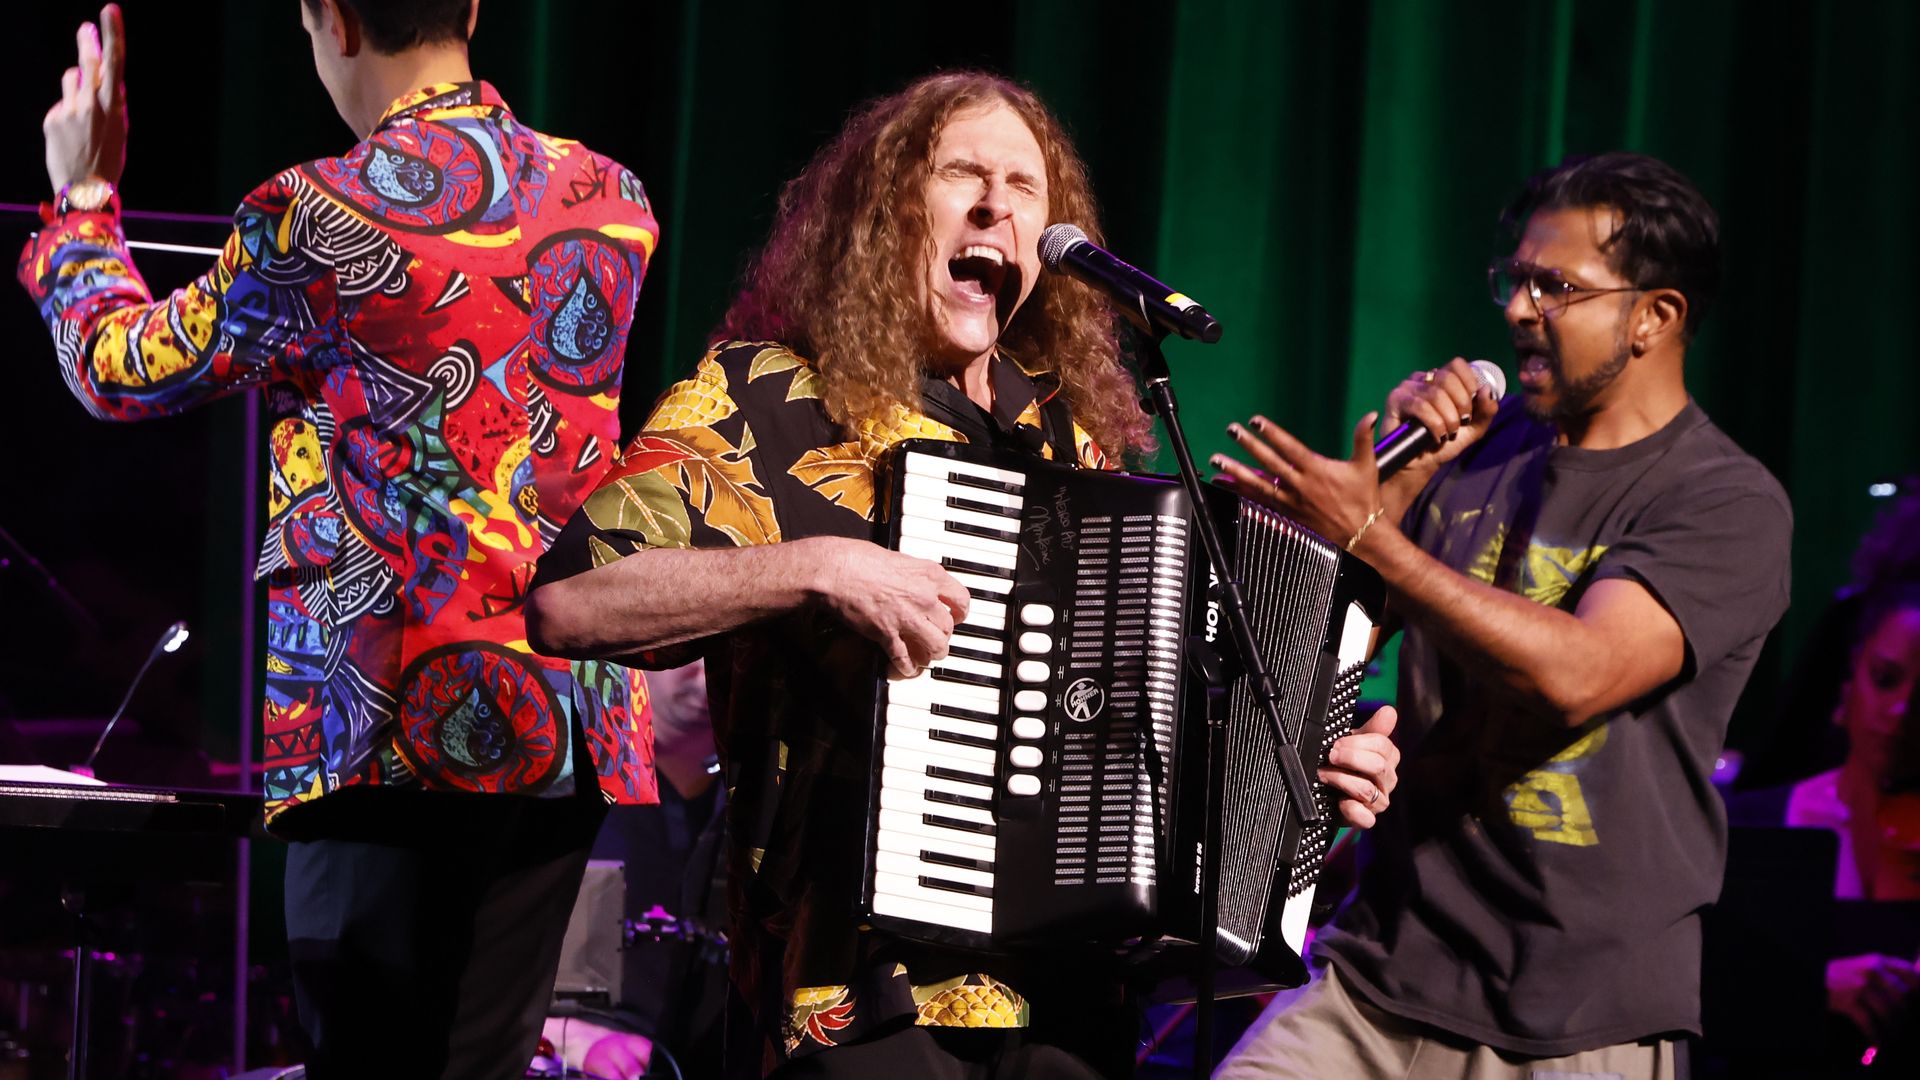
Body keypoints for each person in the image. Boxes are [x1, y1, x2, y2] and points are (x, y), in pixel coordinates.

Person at [525, 71, 1402, 1078]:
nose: (998, 204)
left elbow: (1146, 751)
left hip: (1069, 1008)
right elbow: (571, 603)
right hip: (855, 1007)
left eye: (1025, 188)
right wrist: (816, 568)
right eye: (963, 173)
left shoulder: (1073, 445)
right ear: (884, 210)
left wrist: (1299, 782)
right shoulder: (768, 396)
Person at [18, 3, 659, 1075]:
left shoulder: (318, 211)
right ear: (471, 8)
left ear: (329, 18)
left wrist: (84, 203)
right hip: (560, 724)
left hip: (392, 733)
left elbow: (121, 366)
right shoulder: (610, 197)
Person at [1211, 152, 1792, 1078]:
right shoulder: (1476, 455)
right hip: (1376, 976)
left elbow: (1581, 674)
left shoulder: (1724, 501)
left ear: (1655, 316)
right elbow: (1322, 645)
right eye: (1514, 280)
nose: (1519, 309)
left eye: (1555, 286)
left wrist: (1372, 533)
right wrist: (1398, 485)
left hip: (1577, 1021)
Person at [1726, 582, 1920, 1065]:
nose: (1902, 711)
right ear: (1849, 682)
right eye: (1885, 677)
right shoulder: (1756, 823)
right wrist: (1810, 987)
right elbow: (1709, 993)